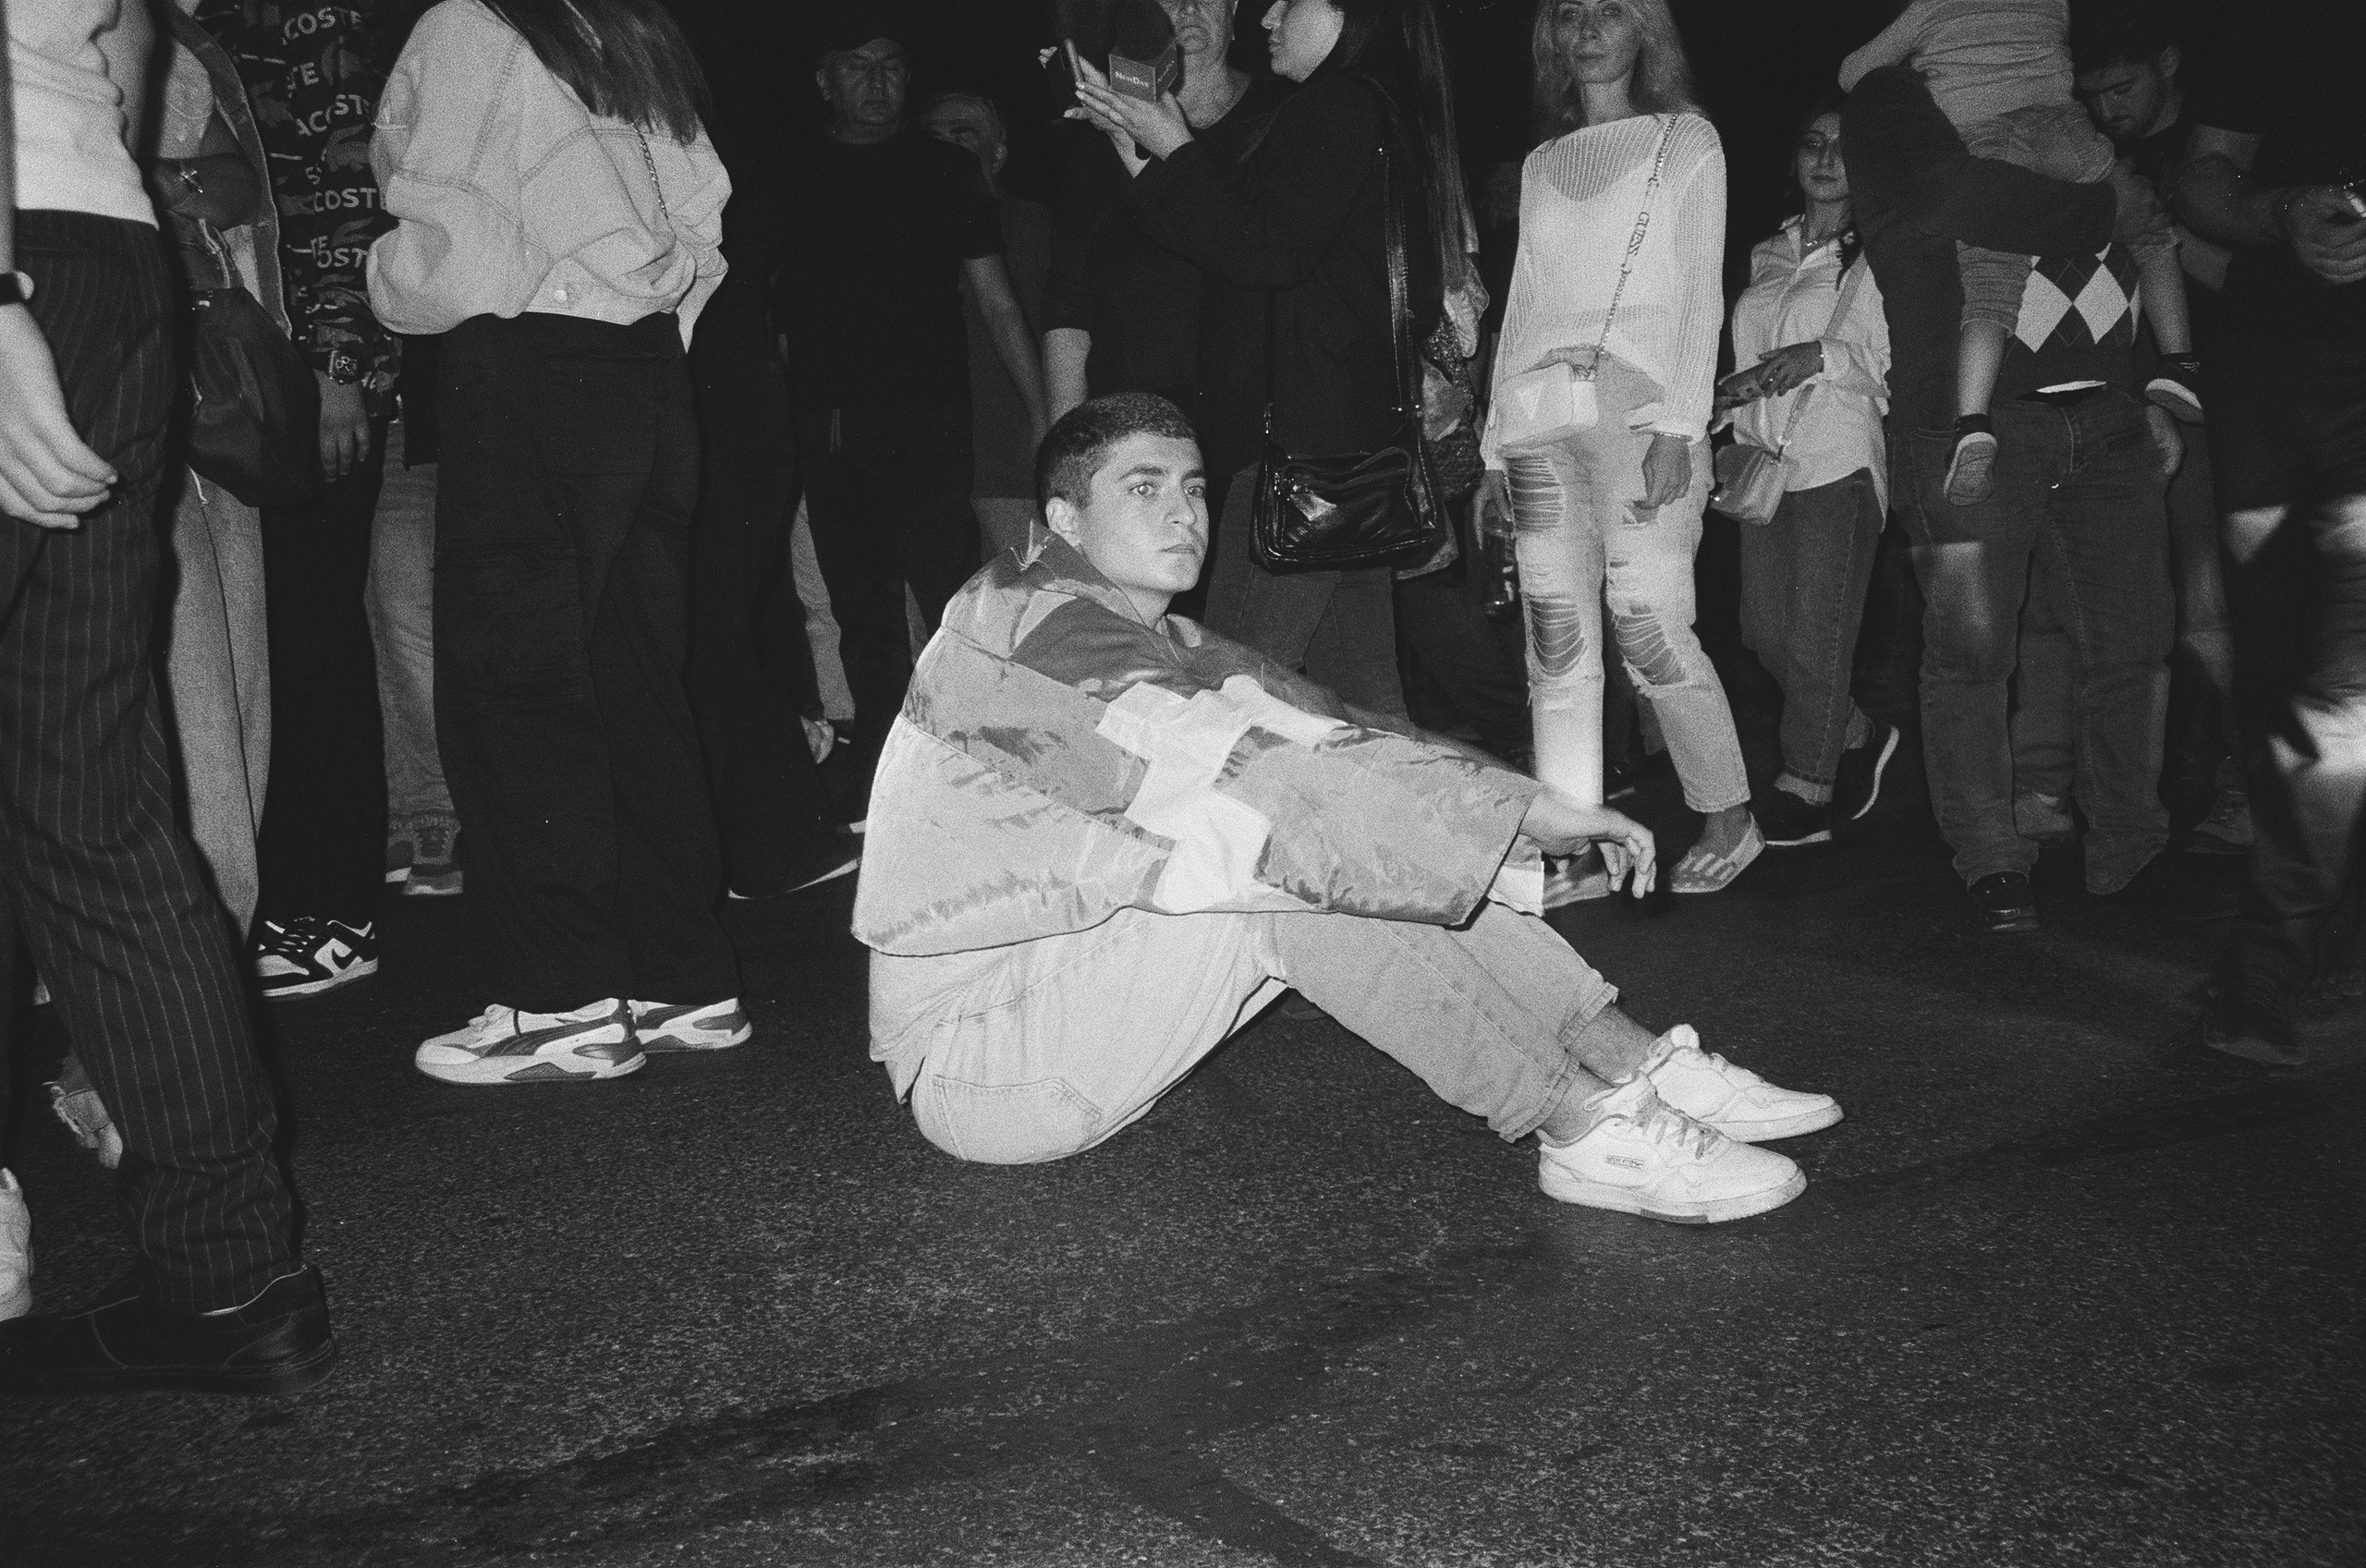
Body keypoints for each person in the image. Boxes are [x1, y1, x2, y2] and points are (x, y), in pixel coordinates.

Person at [858, 394, 1841, 1224]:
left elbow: (1333, 733)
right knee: (1284, 862)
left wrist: (1519, 802)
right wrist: (1504, 818)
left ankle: (1631, 1064)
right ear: (1064, 521)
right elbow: (1290, 794)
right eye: (1143, 488)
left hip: (1069, 989)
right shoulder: (1025, 633)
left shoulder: (1153, 635)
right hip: (982, 1062)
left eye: (1194, 487)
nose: (1184, 515)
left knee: (1367, 831)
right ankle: (1577, 1125)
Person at [1, 0, 335, 1395]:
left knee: (93, 792)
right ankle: (231, 1276)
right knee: (96, 795)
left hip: (27, 260)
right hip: (99, 235)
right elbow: (126, 30)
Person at [368, 0, 746, 1084]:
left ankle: (561, 997)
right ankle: (682, 977)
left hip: (530, 363)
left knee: (513, 684)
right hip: (648, 377)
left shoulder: (471, 24)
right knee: (636, 680)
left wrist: (382, 283)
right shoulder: (625, 26)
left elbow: (459, 244)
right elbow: (704, 215)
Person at [1845, 66, 2184, 933]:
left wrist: (2154, 384)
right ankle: (1991, 856)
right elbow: (1965, 196)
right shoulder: (1891, 95)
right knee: (1969, 656)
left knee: (2134, 645)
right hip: (1963, 429)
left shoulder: (2053, 86)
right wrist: (2123, 201)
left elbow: (2138, 258)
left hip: (2106, 417)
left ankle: (2132, 849)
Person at [1072, 0, 1473, 723]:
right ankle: (1475, 833)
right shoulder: (1363, 105)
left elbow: (1264, 250)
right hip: (1342, 451)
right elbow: (1238, 235)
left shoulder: (1338, 104)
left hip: (1299, 453)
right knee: (1367, 705)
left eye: (1290, 0)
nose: (1269, 16)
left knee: (1227, 696)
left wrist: (1173, 146)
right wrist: (1141, 148)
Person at [1473, 0, 1751, 900]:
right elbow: (1522, 304)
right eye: (1569, 13)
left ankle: (1730, 816)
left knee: (1650, 626)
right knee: (1554, 645)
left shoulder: (1685, 141)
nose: (1587, 26)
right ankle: (1578, 848)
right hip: (1537, 420)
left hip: (1640, 412)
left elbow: (1700, 293)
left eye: (1609, 10)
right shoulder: (1543, 161)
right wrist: (1489, 451)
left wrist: (1680, 424)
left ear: (1645, 30)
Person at [196, 0, 402, 999]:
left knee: (312, 634)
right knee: (280, 636)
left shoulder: (293, 15)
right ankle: (296, 896)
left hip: (301, 375)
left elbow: (347, 197)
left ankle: (332, 911)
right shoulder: (211, 23)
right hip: (252, 375)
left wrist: (337, 372)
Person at [774, 13, 1049, 765]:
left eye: (891, 64)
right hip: (829, 422)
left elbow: (998, 302)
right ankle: (884, 771)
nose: (877, 80)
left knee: (955, 594)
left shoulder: (941, 167)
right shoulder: (790, 173)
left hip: (928, 417)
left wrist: (1041, 412)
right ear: (825, 79)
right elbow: (775, 318)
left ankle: (987, 761)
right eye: (857, 65)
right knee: (859, 607)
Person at [2173, 0, 2366, 1064]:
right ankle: (2311, 918)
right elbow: (2200, 180)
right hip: (2268, 386)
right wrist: (2281, 207)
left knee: (2341, 691)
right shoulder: (2265, 18)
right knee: (2274, 670)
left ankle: (2269, 961)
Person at [1839, 0, 2200, 507]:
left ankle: (1973, 421)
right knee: (2150, 229)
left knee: (1991, 283)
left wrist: (1922, 64)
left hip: (1986, 135)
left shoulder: (1934, 8)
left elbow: (1853, 71)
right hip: (2062, 127)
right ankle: (2181, 363)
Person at [1041, 0, 1290, 609]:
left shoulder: (1287, 121)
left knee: (1249, 654)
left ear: (1236, 9)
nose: (1186, 9)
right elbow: (1067, 318)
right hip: (1138, 451)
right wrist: (1064, 460)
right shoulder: (1101, 144)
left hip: (1264, 447)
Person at [1718, 100, 1901, 849]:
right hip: (1766, 461)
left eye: (1846, 148)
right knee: (1762, 631)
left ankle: (1811, 782)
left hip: (1838, 457)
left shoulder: (1885, 253)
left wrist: (1818, 357)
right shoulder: (1769, 252)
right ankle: (1853, 726)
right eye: (1813, 144)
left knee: (1818, 635)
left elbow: (1894, 369)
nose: (1827, 159)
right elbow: (1744, 359)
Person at [925, 91, 1053, 565]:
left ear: (997, 155)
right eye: (934, 139)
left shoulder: (1029, 224)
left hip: (1007, 461)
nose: (944, 150)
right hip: (932, 460)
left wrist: (1043, 424)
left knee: (1028, 603)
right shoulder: (904, 226)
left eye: (962, 136)